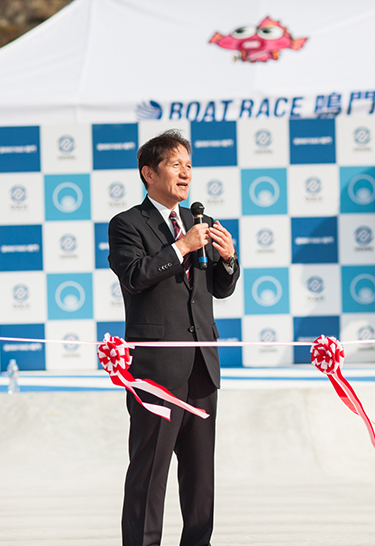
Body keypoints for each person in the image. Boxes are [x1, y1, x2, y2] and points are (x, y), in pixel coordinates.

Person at [108, 130, 240, 546]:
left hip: (202, 365)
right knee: (149, 473)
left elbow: (218, 288)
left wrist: (228, 259)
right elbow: (135, 276)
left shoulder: (202, 223)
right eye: (175, 164)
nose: (185, 173)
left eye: (189, 165)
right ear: (149, 173)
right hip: (157, 370)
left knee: (201, 477)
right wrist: (181, 247)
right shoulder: (127, 224)